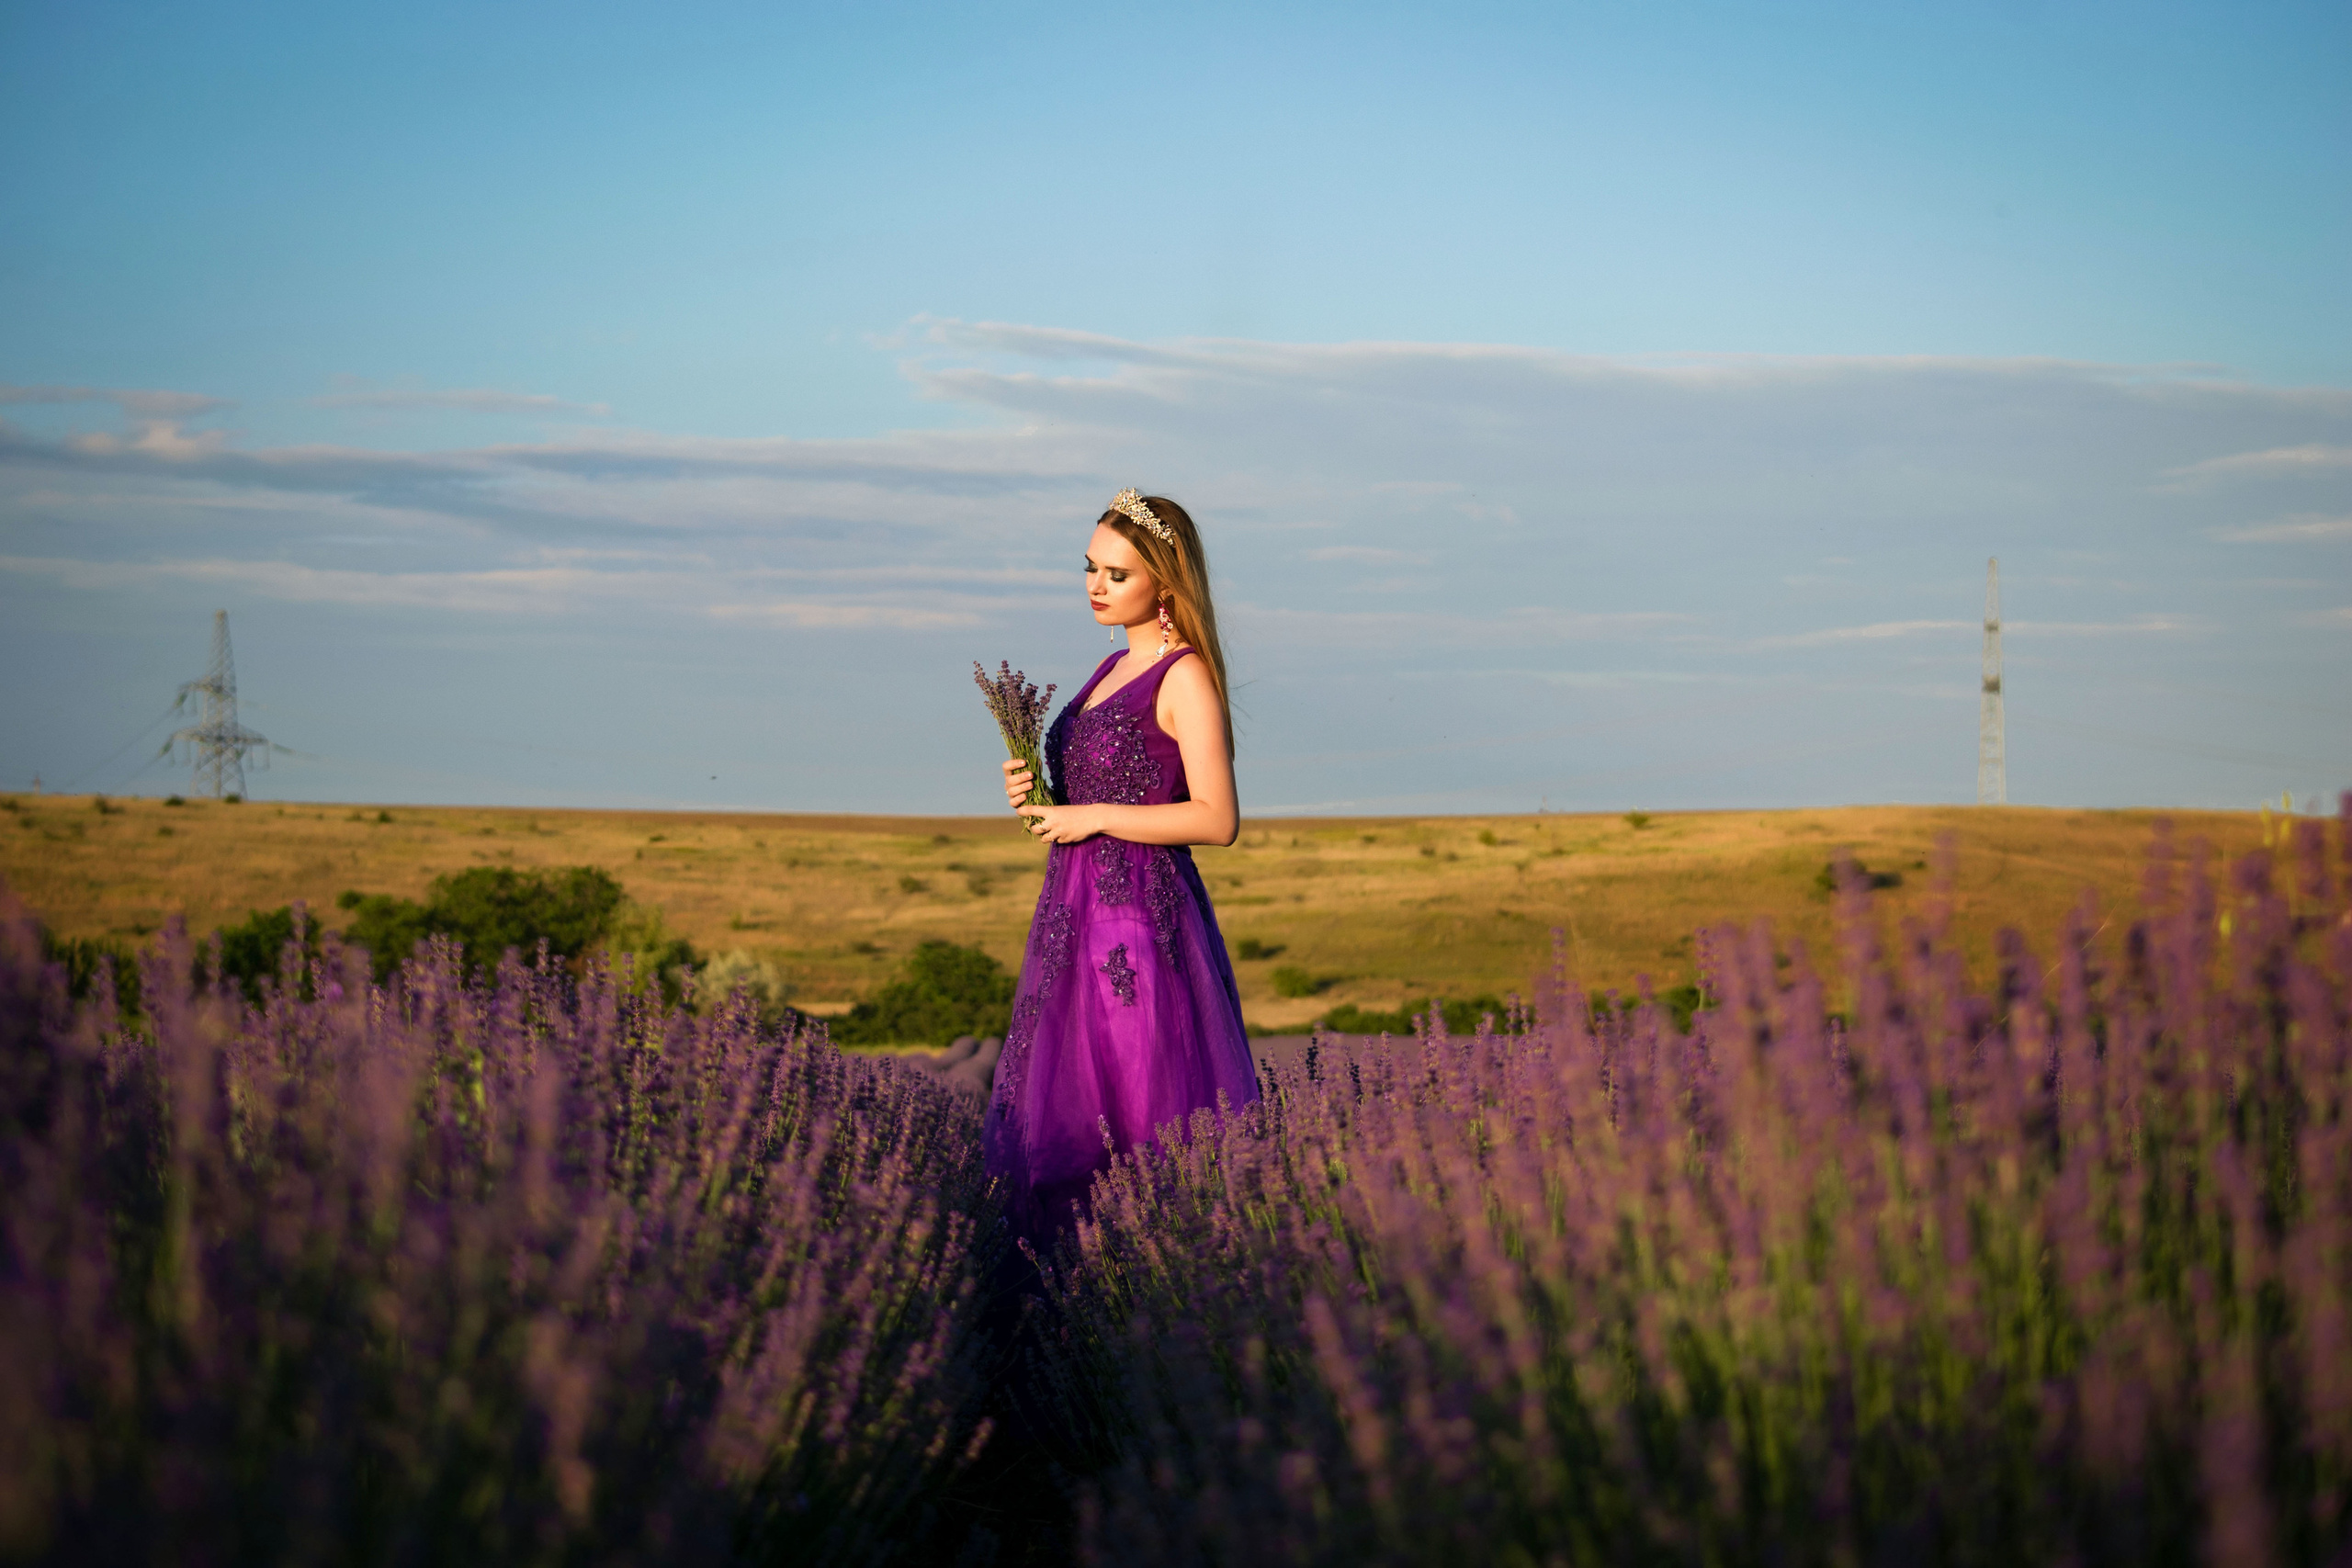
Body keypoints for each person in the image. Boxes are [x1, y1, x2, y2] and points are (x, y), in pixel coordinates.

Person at [984, 490, 1260, 1236]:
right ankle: (1073, 1294)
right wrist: (1038, 797)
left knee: (1143, 1127)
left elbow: (1218, 818)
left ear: (1164, 584)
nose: (1095, 586)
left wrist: (1095, 815)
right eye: (1090, 568)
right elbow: (1085, 801)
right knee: (1069, 1129)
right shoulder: (1110, 664)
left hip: (1138, 926)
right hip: (1071, 922)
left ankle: (1153, 1284)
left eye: (1117, 574)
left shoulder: (1182, 674)